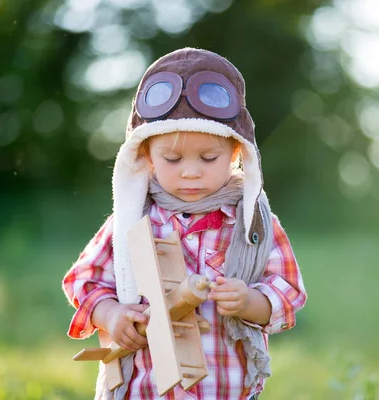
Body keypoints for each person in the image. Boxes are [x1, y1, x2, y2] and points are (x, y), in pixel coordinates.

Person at [62, 47, 307, 400]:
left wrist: (250, 301)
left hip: (226, 388)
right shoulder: (133, 220)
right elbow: (84, 279)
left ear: (237, 153)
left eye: (209, 157)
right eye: (172, 158)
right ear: (146, 154)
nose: (191, 171)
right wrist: (112, 314)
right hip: (145, 389)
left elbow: (288, 291)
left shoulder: (252, 225)